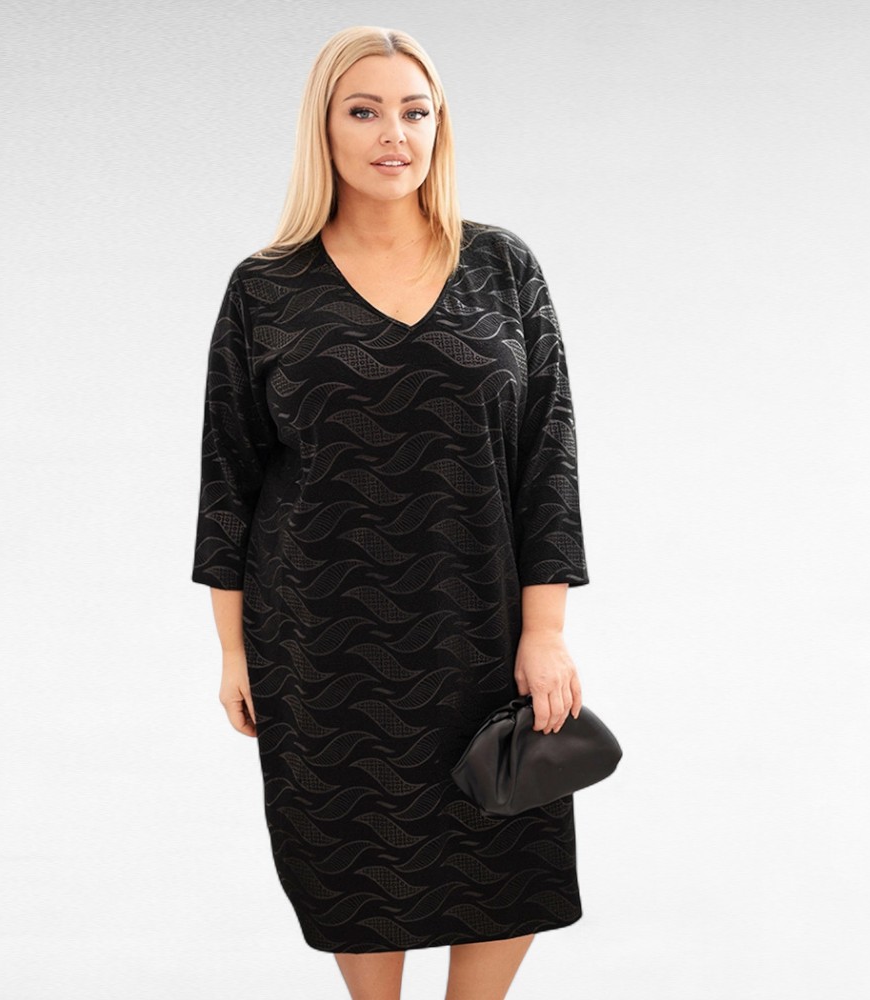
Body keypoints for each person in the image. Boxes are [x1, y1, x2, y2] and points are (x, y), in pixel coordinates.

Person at [192, 24, 591, 1000]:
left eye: (415, 111)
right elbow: (228, 480)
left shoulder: (501, 266)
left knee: (510, 852)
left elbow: (547, 460)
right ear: (323, 127)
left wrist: (545, 633)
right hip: (322, 645)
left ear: (439, 126)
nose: (393, 134)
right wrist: (235, 651)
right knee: (352, 862)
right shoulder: (266, 288)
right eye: (364, 111)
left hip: (481, 629)